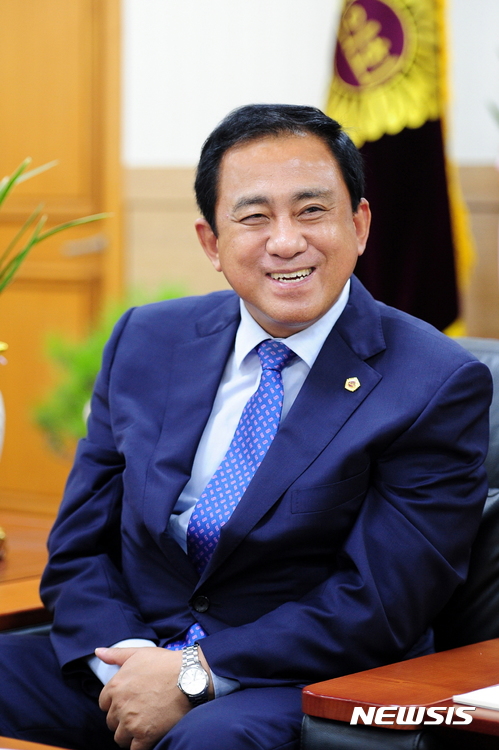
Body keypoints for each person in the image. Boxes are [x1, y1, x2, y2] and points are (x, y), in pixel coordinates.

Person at [0, 104, 492, 750]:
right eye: (254, 217)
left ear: (359, 225)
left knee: (209, 743)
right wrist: (129, 664)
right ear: (211, 242)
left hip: (299, 674)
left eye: (311, 211)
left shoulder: (433, 382)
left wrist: (193, 674)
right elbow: (78, 547)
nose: (285, 242)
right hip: (131, 653)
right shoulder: (147, 339)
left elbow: (380, 602)